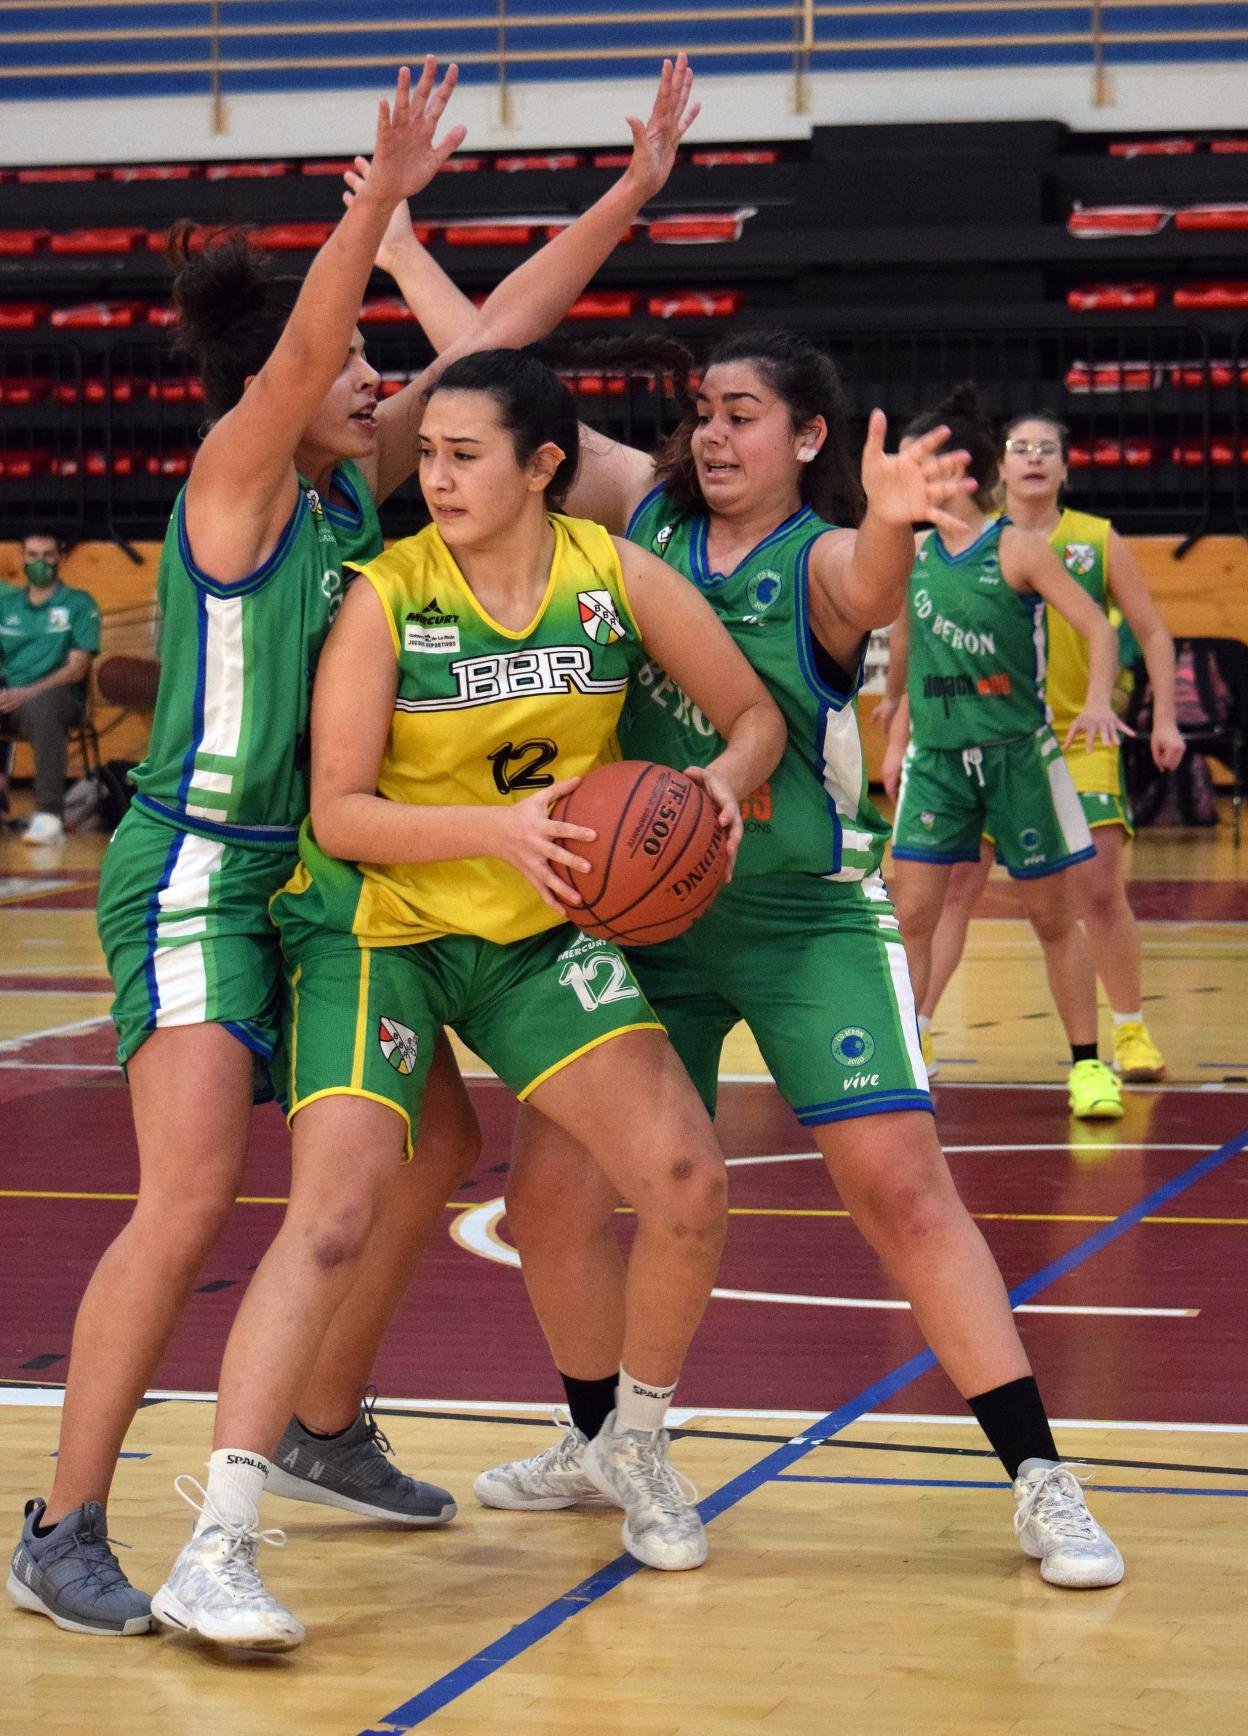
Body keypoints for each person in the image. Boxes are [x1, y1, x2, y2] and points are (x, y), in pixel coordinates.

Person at [8, 55, 698, 1643]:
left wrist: (628, 196)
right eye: (357, 366)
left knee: (431, 1146)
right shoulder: (240, 482)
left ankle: (321, 1423)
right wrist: (379, 201)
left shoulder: (342, 497)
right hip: (200, 872)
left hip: (316, 881)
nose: (383, 385)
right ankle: (63, 1525)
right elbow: (317, 344)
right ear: (285, 380)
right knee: (190, 1198)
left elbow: (498, 344)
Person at [146, 345, 785, 1647]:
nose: (431, 476)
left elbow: (753, 715)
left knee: (688, 1178)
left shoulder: (614, 576)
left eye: (462, 455)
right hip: (377, 924)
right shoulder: (388, 595)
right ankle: (217, 1543)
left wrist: (715, 790)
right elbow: (341, 810)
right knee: (333, 1216)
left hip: (538, 932)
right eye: (426, 453)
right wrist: (501, 830)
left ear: (544, 465)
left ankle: (630, 1442)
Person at [468, 335, 1124, 1591]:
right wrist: (397, 247)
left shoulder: (818, 558)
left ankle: (1043, 1477)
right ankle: (607, 1442)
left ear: (808, 436)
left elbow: (871, 586)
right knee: (549, 1201)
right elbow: (501, 385)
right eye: (703, 412)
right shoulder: (642, 511)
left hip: (802, 917)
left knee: (904, 1191)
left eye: (745, 414)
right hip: (641, 922)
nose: (715, 435)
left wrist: (890, 523)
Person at [892, 413, 1184, 1082]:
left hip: (1067, 735)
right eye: (1019, 447)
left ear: (1065, 467)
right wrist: (901, 721)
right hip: (963, 742)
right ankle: (918, 1034)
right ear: (997, 467)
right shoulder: (929, 549)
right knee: (948, 892)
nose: (1032, 458)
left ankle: (1127, 1030)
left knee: (1095, 891)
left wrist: (1160, 716)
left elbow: (1145, 632)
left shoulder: (1088, 540)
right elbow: (920, 644)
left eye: (1045, 448)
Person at [0, 531, 100, 844]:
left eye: (48, 555)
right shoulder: (6, 605)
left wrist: (28, 692)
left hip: (61, 696)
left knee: (44, 706)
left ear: (61, 558)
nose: (39, 562)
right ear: (22, 557)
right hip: (9, 696)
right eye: (32, 555)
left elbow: (78, 667)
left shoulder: (79, 604)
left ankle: (49, 815)